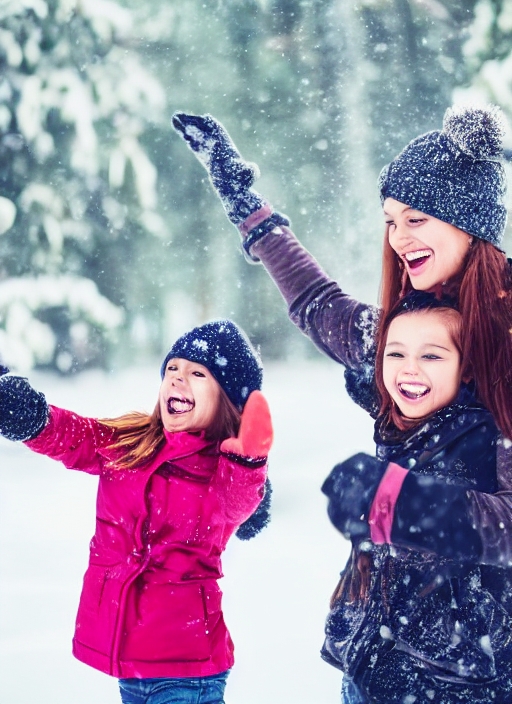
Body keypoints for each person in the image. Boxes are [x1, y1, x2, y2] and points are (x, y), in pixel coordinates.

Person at [172, 105, 512, 567]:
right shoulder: (402, 331)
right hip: (388, 603)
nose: (398, 238)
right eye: (391, 221)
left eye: (415, 219)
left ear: (470, 224)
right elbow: (318, 303)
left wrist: (399, 501)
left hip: (473, 612)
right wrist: (247, 207)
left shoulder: (504, 343)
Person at [0, 319, 273, 704]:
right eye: (172, 368)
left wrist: (249, 461)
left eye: (197, 373)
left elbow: (239, 503)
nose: (177, 378)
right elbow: (74, 435)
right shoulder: (132, 444)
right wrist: (32, 416)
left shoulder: (221, 472)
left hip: (187, 670)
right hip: (133, 666)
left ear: (227, 399)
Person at [321, 291, 512, 703]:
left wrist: (398, 501)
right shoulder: (397, 423)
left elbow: (504, 526)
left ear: (466, 367)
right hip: (369, 669)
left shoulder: (486, 436)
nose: (409, 368)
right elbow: (318, 306)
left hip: (450, 685)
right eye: (396, 354)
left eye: (431, 356)